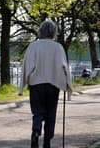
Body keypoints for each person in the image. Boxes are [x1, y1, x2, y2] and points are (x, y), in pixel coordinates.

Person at [19, 20, 72, 148]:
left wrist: (25, 82)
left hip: (36, 83)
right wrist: (67, 84)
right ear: (54, 32)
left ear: (40, 31)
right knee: (51, 113)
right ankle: (47, 140)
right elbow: (64, 66)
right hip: (53, 84)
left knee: (37, 111)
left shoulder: (33, 46)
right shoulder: (58, 47)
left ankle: (36, 131)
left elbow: (26, 65)